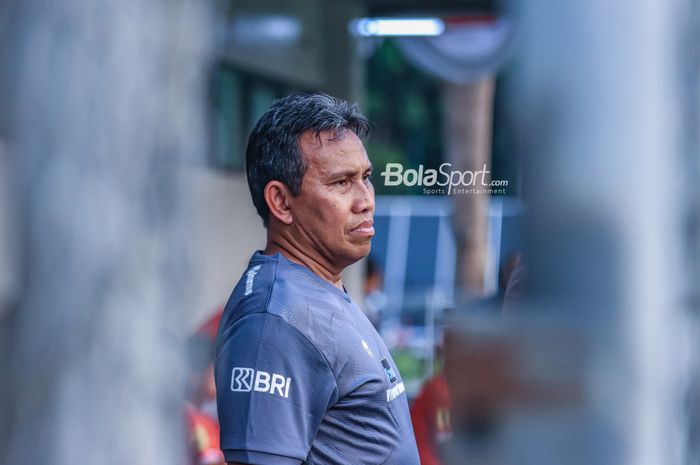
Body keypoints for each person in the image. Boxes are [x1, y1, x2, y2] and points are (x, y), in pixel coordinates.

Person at [214, 94, 420, 465]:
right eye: (342, 183)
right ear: (281, 202)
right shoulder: (273, 322)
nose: (366, 200)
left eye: (366, 178)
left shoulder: (320, 288)